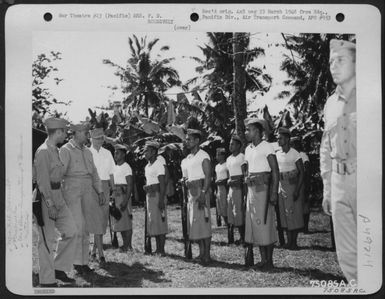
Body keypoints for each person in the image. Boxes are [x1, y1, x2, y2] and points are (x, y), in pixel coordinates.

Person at [320, 39, 357, 283]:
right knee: (346, 252)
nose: (334, 66)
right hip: (338, 179)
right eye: (331, 61)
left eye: (340, 60)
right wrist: (327, 189)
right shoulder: (330, 104)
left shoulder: (373, 95)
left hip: (365, 177)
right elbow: (325, 147)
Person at [33, 117, 77, 287]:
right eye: (64, 131)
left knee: (71, 230)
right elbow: (43, 182)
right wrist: (50, 204)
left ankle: (58, 267)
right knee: (46, 240)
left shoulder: (55, 150)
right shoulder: (43, 151)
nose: (66, 134)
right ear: (57, 132)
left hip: (58, 196)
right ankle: (46, 281)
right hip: (46, 198)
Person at [59, 122, 106, 275]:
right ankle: (74, 263)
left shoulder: (87, 152)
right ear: (76, 132)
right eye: (85, 131)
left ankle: (83, 262)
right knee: (77, 226)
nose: (87, 134)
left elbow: (94, 173)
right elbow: (59, 174)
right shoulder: (65, 150)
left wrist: (100, 192)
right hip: (72, 188)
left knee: (85, 227)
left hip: (87, 190)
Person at [243, 118, 279, 270]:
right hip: (252, 190)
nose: (246, 132)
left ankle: (269, 261)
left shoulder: (267, 147)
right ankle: (263, 259)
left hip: (264, 189)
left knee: (266, 223)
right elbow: (247, 168)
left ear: (257, 131)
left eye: (249, 129)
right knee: (256, 225)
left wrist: (274, 193)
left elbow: (275, 171)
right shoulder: (248, 149)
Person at [184, 129, 212, 264]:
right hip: (191, 192)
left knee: (204, 223)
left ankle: (207, 254)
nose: (187, 141)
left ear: (196, 141)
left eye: (189, 139)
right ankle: (201, 253)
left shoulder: (203, 156)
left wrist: (203, 193)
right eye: (186, 139)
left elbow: (208, 176)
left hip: (201, 191)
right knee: (196, 223)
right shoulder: (188, 158)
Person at [88, 127, 115, 263]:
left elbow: (111, 173)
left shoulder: (108, 153)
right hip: (91, 187)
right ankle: (101, 254)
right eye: (97, 138)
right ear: (91, 139)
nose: (100, 141)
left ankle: (93, 251)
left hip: (105, 186)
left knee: (102, 219)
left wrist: (113, 190)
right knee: (96, 219)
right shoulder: (87, 153)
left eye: (101, 138)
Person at [276, 127, 304, 250]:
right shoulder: (277, 154)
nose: (278, 140)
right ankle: (288, 241)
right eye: (277, 138)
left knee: (294, 213)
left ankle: (294, 242)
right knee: (285, 215)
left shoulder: (295, 153)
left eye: (280, 138)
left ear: (287, 139)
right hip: (281, 187)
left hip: (293, 186)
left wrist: (297, 190)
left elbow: (302, 172)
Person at [143, 141, 168, 255]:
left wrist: (162, 199)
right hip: (150, 196)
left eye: (147, 151)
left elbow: (162, 183)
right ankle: (157, 248)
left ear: (153, 152)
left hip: (158, 195)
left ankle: (161, 249)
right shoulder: (147, 166)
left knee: (160, 222)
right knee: (154, 221)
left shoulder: (158, 164)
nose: (144, 153)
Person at [111, 144, 134, 252]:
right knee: (119, 219)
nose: (115, 155)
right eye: (115, 153)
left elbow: (130, 184)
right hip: (116, 195)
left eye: (118, 153)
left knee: (126, 221)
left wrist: (125, 201)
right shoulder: (114, 167)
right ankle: (124, 244)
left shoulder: (126, 167)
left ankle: (128, 245)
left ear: (124, 154)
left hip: (124, 195)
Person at [226, 135, 246, 245]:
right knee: (232, 213)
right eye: (230, 144)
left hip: (239, 188)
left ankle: (244, 237)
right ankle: (236, 237)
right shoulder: (228, 159)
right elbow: (229, 175)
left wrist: (240, 183)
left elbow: (244, 174)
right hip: (231, 188)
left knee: (239, 213)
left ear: (238, 145)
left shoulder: (242, 157)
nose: (230, 146)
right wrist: (229, 181)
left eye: (232, 144)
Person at [291, 137, 311, 233]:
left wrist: (307, 184)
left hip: (302, 181)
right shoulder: (293, 154)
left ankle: (305, 227)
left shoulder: (302, 155)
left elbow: (306, 168)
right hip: (295, 182)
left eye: (293, 144)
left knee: (304, 205)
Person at [214, 147, 231, 243]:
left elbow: (227, 177)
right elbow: (216, 177)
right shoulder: (217, 166)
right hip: (218, 188)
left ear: (222, 155)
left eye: (218, 154)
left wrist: (222, 182)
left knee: (225, 205)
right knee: (220, 206)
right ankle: (225, 222)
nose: (217, 156)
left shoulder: (226, 165)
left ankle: (229, 225)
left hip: (224, 187)